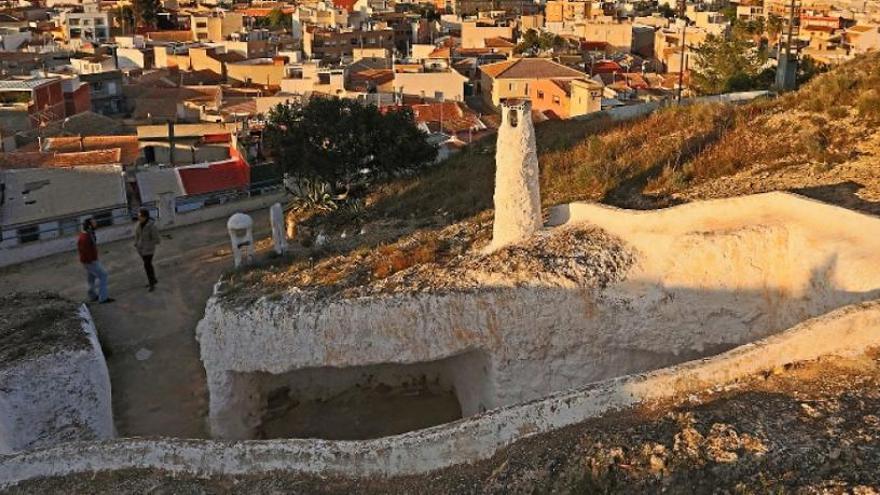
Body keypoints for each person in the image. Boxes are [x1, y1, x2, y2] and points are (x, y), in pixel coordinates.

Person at [77, 218, 114, 304]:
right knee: (103, 275)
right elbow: (84, 251)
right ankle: (103, 298)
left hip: (89, 261)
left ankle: (92, 296)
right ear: (89, 226)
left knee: (91, 278)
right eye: (94, 223)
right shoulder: (85, 238)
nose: (96, 224)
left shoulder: (88, 234)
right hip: (90, 261)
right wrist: (92, 261)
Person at [134, 208, 160, 292]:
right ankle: (154, 279)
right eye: (138, 216)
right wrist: (136, 243)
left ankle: (152, 284)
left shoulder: (151, 226)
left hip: (148, 250)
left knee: (147, 266)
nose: (138, 217)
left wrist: (148, 245)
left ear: (145, 217)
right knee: (149, 265)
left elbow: (157, 240)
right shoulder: (139, 224)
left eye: (140, 216)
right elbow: (137, 235)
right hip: (141, 249)